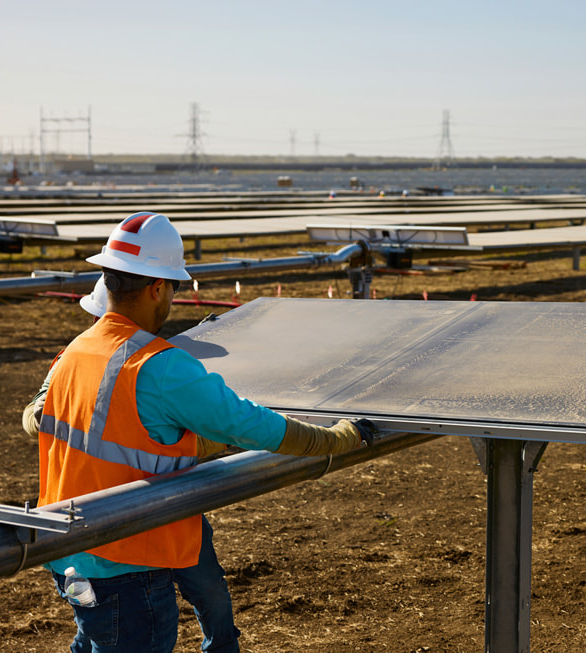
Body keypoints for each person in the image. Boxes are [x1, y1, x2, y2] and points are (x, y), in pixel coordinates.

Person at [36, 211, 377, 653]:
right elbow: (258, 427)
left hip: (71, 553)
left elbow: (104, 434)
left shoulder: (76, 352)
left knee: (96, 639)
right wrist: (339, 438)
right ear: (158, 287)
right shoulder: (159, 365)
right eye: (173, 289)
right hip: (129, 562)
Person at [23, 275, 233, 652]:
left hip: (173, 502)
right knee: (111, 614)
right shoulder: (74, 359)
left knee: (205, 588)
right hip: (115, 517)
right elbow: (35, 413)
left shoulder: (153, 362)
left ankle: (222, 645)